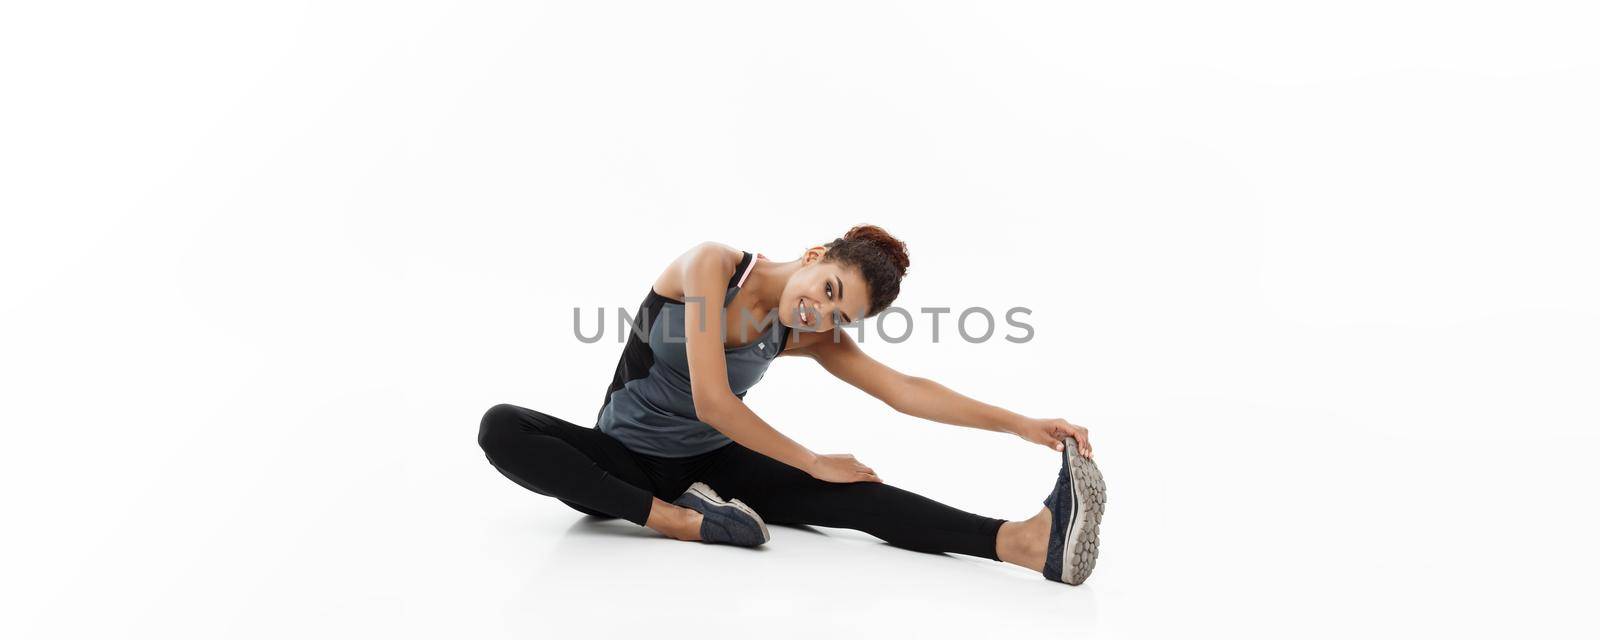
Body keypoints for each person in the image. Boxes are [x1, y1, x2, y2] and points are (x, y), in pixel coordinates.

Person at [477, 225, 1106, 585]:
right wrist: (808, 460)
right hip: (619, 462)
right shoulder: (710, 267)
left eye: (840, 314)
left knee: (856, 498)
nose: (820, 313)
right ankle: (680, 521)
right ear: (813, 257)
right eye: (827, 290)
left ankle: (1022, 543)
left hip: (713, 465)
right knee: (502, 427)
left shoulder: (803, 331)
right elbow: (712, 399)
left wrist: (1021, 423)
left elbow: (904, 389)